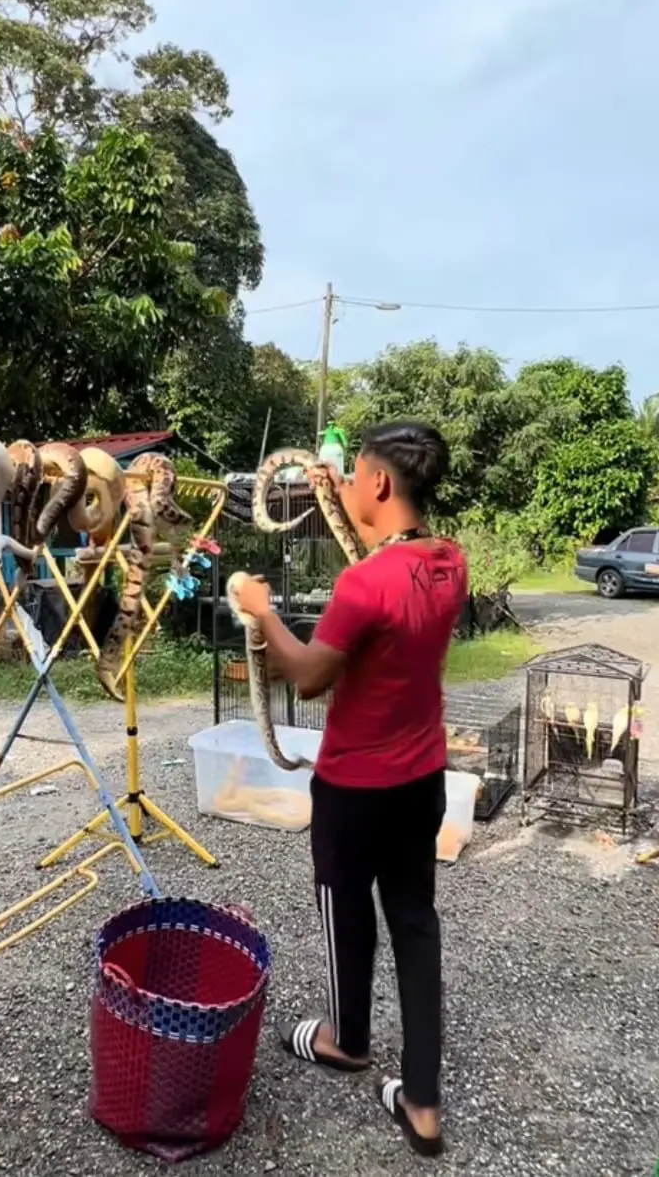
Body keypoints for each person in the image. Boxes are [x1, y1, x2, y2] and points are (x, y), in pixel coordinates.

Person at [234, 420, 467, 1159]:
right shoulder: (449, 562)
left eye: (355, 473)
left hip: (355, 789)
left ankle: (345, 1037)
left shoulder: (362, 583)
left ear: (379, 483)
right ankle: (422, 1103)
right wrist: (345, 503)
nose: (346, 483)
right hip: (421, 779)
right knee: (415, 920)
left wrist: (260, 606)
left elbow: (307, 676)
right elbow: (388, 574)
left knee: (344, 907)